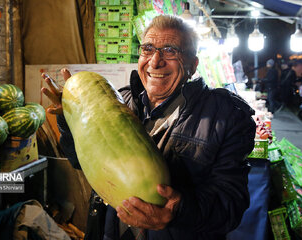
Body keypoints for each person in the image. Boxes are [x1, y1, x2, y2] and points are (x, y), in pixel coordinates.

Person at [41, 15, 256, 240]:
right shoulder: (118, 99)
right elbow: (80, 161)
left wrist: (180, 211)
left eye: (170, 50)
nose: (155, 62)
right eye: (148, 49)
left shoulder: (226, 115)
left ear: (193, 65)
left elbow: (231, 206)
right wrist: (70, 117)